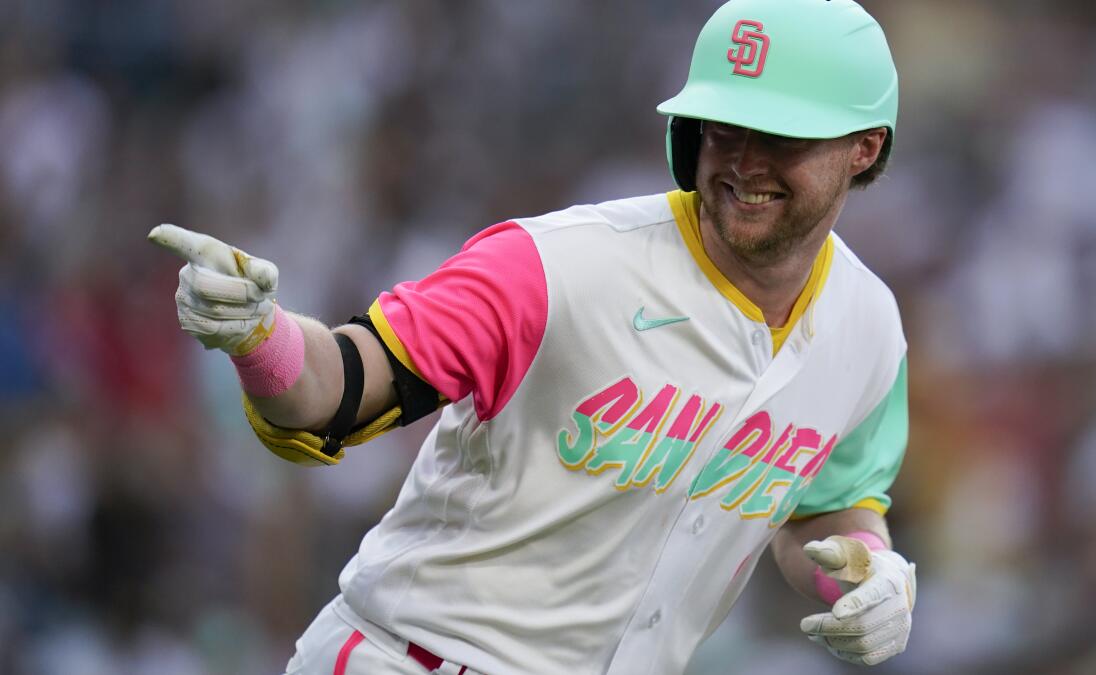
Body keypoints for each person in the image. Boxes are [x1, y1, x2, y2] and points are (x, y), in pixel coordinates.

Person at [151, 0, 916, 672]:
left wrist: (864, 573)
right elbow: (339, 389)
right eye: (724, 126)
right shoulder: (556, 265)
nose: (745, 160)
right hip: (413, 657)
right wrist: (260, 336)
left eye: (780, 135)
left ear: (864, 147)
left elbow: (827, 506)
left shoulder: (869, 329)